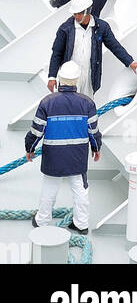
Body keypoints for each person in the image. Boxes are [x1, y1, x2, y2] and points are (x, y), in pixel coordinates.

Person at [25, 60, 101, 235]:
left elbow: (36, 131)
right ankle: (81, 224)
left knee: (49, 188)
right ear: (77, 80)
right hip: (77, 157)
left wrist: (29, 148)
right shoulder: (87, 103)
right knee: (80, 190)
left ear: (59, 78)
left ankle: (42, 220)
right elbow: (93, 131)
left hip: (54, 157)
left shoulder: (47, 102)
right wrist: (96, 148)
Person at [48, 0, 137, 98]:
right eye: (74, 13)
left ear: (87, 11)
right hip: (70, 77)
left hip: (90, 76)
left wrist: (130, 62)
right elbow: (57, 53)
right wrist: (52, 76)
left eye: (78, 13)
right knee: (67, 103)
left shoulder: (102, 27)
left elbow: (114, 46)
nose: (76, 16)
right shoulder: (65, 29)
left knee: (86, 103)